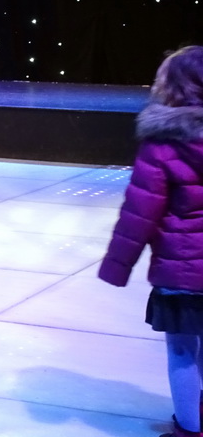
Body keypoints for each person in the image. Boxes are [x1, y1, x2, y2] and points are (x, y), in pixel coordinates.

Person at [99, 45, 203, 437]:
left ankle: (190, 429)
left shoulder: (162, 143)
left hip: (182, 273)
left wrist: (117, 265)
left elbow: (140, 212)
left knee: (181, 349)